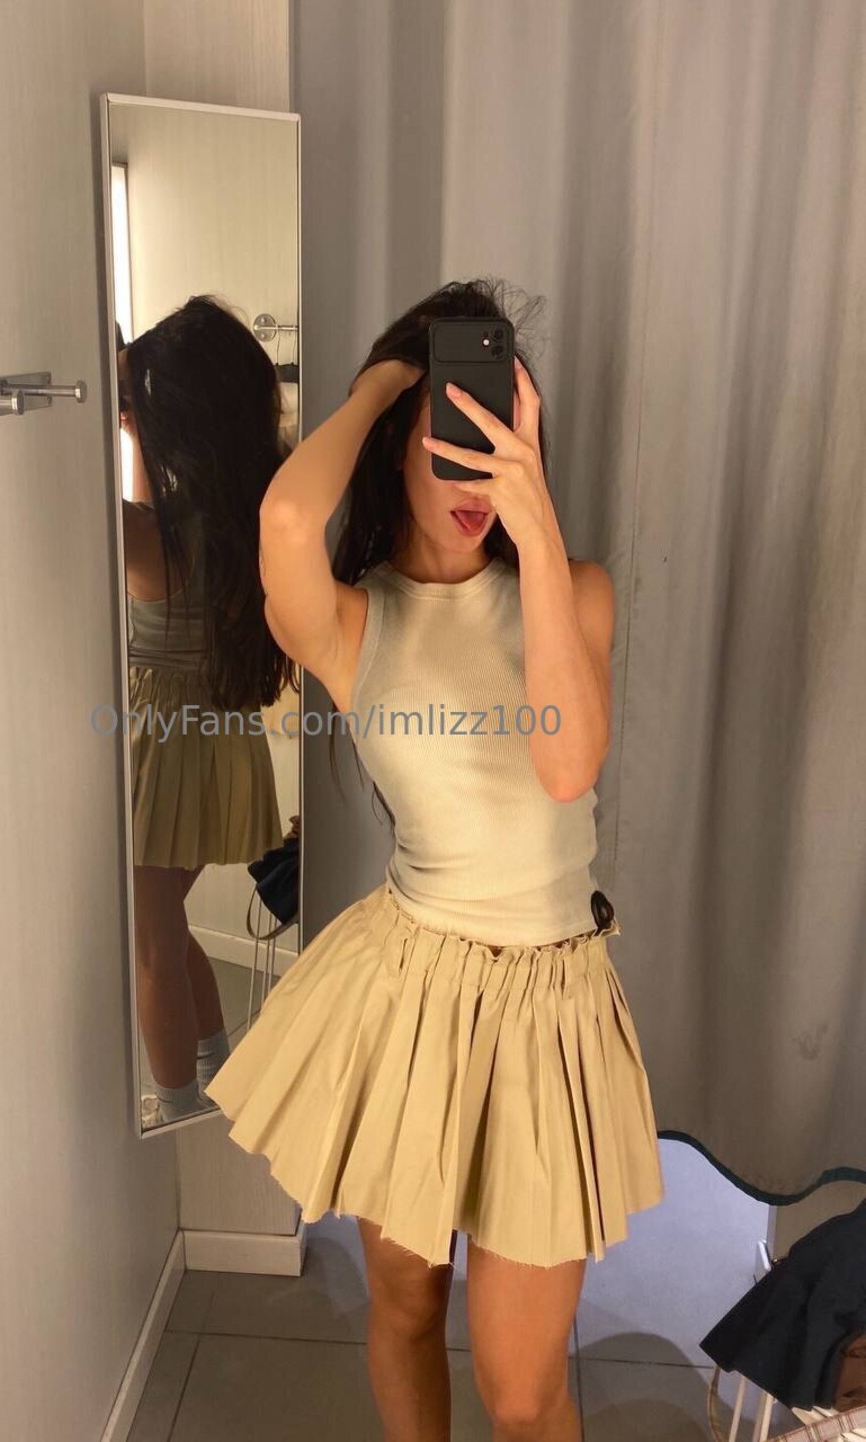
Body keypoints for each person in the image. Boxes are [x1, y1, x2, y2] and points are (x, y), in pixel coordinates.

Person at [204, 278, 665, 1441]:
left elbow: (567, 766)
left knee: (525, 1388)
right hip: (409, 996)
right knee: (406, 1305)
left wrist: (535, 520)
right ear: (398, 447)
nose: (473, 477)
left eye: (498, 442)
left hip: (548, 1008)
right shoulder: (353, 622)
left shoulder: (577, 592)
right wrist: (384, 383)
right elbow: (285, 523)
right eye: (450, 440)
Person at [117, 298, 296, 1125]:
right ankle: (216, 1070)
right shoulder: (243, 519)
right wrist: (140, 429)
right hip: (215, 739)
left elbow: (115, 514)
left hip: (161, 747)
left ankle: (176, 1110)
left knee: (149, 942)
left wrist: (113, 416)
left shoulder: (151, 540)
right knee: (166, 923)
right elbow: (155, 507)